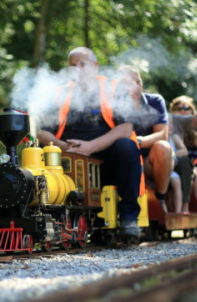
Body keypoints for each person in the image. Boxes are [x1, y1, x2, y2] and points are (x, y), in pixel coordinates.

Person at [37, 47, 142, 237]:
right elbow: (41, 132)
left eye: (82, 64)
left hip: (106, 160)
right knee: (37, 150)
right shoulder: (59, 93)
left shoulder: (113, 88)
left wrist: (90, 147)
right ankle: (46, 217)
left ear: (95, 67)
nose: (77, 69)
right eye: (72, 66)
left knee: (127, 147)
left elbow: (126, 128)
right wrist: (66, 148)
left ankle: (129, 218)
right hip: (66, 161)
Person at [116, 66, 174, 212]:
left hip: (148, 160)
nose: (136, 86)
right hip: (122, 160)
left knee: (164, 147)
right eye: (129, 83)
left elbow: (162, 134)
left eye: (138, 81)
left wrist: (138, 142)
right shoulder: (112, 103)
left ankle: (161, 198)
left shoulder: (155, 101)